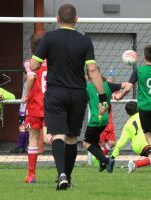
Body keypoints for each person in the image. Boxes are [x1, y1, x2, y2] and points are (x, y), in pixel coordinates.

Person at [29, 4, 108, 190]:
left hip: (56, 93)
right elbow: (93, 70)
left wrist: (38, 61)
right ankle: (68, 178)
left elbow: (33, 65)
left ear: (57, 19)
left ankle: (61, 174)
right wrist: (102, 95)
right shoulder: (85, 41)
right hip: (78, 94)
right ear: (76, 19)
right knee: (72, 137)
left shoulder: (48, 38)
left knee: (57, 135)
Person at [116, 45, 151, 173]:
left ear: (144, 56)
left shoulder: (138, 70)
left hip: (144, 107)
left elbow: (129, 87)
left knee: (149, 137)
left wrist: (120, 96)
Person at [83, 69, 124, 173]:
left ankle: (106, 160)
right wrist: (120, 96)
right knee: (94, 141)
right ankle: (102, 162)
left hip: (95, 120)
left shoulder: (87, 87)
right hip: (105, 120)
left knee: (86, 143)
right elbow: (127, 85)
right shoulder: (108, 85)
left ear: (88, 76)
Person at [23, 34, 48, 184]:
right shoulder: (53, 62)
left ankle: (31, 175)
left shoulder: (30, 62)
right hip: (52, 105)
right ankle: (62, 172)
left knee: (33, 138)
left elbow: (31, 77)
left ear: (31, 49)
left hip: (34, 105)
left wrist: (26, 94)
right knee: (51, 137)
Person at [110, 101, 151, 173]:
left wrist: (112, 156)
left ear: (127, 112)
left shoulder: (127, 124)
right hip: (145, 142)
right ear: (138, 108)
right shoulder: (143, 115)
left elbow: (120, 142)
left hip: (136, 146)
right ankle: (134, 164)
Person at [10, 69, 29, 154]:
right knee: (27, 128)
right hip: (28, 108)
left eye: (24, 74)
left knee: (22, 127)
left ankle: (20, 146)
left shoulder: (28, 83)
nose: (23, 77)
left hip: (24, 108)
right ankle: (24, 147)